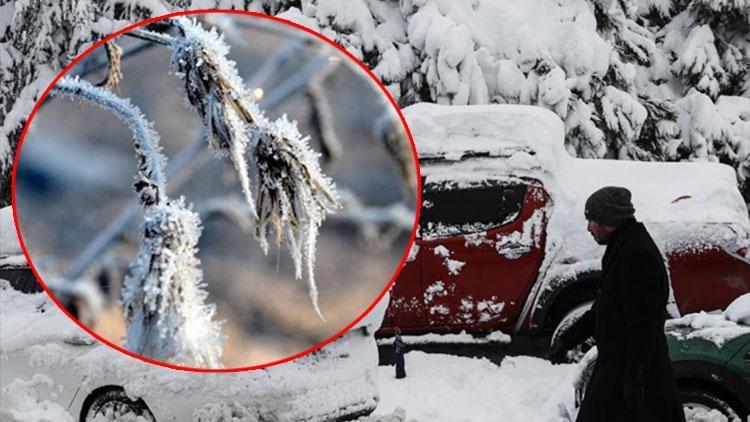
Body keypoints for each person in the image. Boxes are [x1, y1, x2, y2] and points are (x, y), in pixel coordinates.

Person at [548, 186, 685, 422]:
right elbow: (605, 306)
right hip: (617, 368)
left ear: (608, 220)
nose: (588, 227)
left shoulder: (637, 255)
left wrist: (635, 379)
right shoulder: (622, 246)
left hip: (633, 372)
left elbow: (644, 325)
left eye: (591, 219)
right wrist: (568, 339)